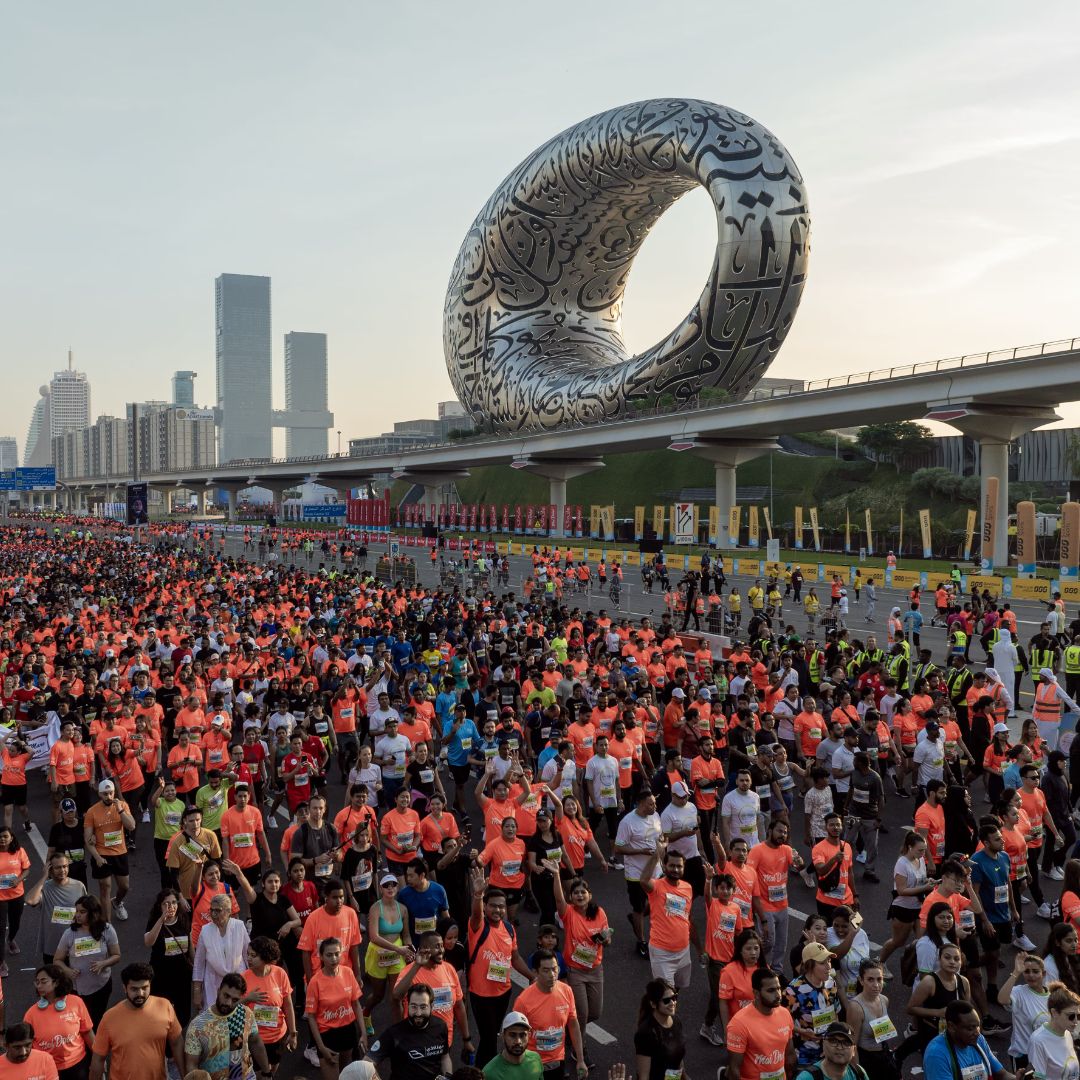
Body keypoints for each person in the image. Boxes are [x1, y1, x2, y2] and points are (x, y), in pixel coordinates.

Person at [466, 868, 532, 1069]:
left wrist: (532, 976)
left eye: (501, 907)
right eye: (493, 906)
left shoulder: (509, 929)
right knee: (488, 1037)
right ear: (485, 907)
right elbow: (475, 913)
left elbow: (515, 958)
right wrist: (478, 894)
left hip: (503, 992)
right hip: (481, 994)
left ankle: (484, 1067)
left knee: (494, 1032)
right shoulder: (477, 926)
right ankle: (483, 1071)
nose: (498, 910)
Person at [88, 962, 184, 1080]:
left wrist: (185, 1075)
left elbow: (177, 1043)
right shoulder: (109, 1018)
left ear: (150, 985)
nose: (140, 994)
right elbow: (98, 1059)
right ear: (125, 988)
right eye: (134, 989)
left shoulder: (165, 1006)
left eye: (144, 988)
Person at [391, 929, 471, 1053]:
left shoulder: (449, 969)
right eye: (437, 947)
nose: (441, 950)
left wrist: (467, 1039)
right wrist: (417, 965)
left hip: (443, 1042)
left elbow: (459, 1006)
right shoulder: (410, 971)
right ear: (424, 948)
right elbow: (396, 996)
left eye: (442, 946)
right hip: (417, 1043)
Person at [184, 971, 272, 1080]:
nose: (228, 1003)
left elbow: (255, 1042)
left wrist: (266, 1072)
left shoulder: (246, 1013)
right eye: (226, 996)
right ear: (218, 991)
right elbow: (191, 1064)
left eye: (235, 1000)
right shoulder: (198, 1025)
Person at [514, 948, 586, 1079]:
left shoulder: (567, 991)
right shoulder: (523, 1001)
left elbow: (573, 1025)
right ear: (535, 972)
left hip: (558, 1060)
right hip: (531, 1063)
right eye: (546, 971)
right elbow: (514, 1038)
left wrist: (580, 1060)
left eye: (554, 969)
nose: (552, 974)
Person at [53, 895, 120, 1028]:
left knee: (96, 1020)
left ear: (94, 913)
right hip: (77, 989)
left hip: (101, 985)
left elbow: (116, 955)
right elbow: (57, 960)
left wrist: (103, 963)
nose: (77, 915)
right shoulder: (69, 934)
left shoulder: (107, 930)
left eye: (82, 912)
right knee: (79, 1023)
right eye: (76, 911)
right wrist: (68, 971)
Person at [305, 937, 365, 1077]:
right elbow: (311, 1017)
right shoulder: (315, 982)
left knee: (347, 1075)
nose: (334, 958)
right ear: (321, 956)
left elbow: (356, 1004)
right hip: (327, 1035)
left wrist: (363, 1033)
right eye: (329, 955)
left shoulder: (348, 972)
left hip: (348, 1031)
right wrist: (320, 1047)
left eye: (337, 953)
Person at [23, 965, 94, 1080]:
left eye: (43, 981)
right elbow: (27, 1046)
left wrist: (98, 1058)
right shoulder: (30, 1014)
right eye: (37, 982)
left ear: (56, 983)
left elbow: (87, 1032)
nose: (39, 986)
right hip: (47, 1069)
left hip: (78, 1065)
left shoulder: (76, 1002)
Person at [639, 841, 694, 990]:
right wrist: (658, 852)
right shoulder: (656, 886)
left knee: (677, 989)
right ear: (665, 866)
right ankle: (660, 1012)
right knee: (665, 992)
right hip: (662, 953)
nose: (675, 869)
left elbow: (688, 918)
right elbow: (643, 880)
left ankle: (668, 1010)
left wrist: (700, 947)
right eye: (672, 866)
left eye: (679, 866)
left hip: (683, 950)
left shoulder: (688, 888)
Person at [725, 967, 797, 1080]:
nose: (778, 995)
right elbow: (734, 1070)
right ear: (756, 993)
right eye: (771, 990)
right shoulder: (739, 1024)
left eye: (779, 989)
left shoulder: (785, 1014)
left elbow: (790, 1054)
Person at [367, 983, 449, 1080]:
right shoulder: (394, 1034)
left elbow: (445, 1058)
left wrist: (447, 1077)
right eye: (414, 1006)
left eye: (423, 1007)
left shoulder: (440, 1027)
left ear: (432, 1006)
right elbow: (366, 1064)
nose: (418, 1013)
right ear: (407, 1005)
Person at [923, 999, 1021, 1080]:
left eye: (978, 1026)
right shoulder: (937, 1054)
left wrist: (1018, 1078)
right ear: (951, 1027)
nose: (977, 1032)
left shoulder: (979, 1040)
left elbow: (1001, 1074)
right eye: (970, 1028)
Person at [242, 936, 298, 1074]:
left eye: (253, 955)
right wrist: (248, 998)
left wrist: (293, 1033)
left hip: (278, 1036)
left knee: (272, 1070)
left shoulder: (280, 973)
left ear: (265, 957)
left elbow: (288, 1005)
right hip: (255, 1039)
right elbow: (232, 1006)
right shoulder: (243, 978)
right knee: (261, 1074)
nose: (249, 958)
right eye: (248, 954)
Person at [82, 780, 134, 925]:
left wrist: (120, 810)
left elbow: (131, 826)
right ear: (99, 794)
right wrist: (97, 857)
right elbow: (87, 839)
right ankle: (107, 924)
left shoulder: (122, 805)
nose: (108, 796)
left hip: (120, 853)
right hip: (102, 854)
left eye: (111, 793)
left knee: (125, 887)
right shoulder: (92, 811)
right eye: (105, 794)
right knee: (105, 888)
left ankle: (117, 902)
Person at [193, 892, 251, 1015]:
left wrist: (252, 981)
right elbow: (199, 963)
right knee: (215, 1018)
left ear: (228, 911)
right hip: (213, 983)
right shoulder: (205, 931)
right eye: (211, 910)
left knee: (237, 1015)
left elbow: (248, 955)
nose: (213, 914)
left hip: (238, 981)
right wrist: (197, 992)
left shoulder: (239, 926)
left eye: (218, 911)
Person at [24, 853, 87, 965]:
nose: (62, 870)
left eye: (65, 866)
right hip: (52, 947)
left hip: (74, 945)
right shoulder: (44, 888)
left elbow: (87, 913)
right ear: (50, 869)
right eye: (58, 867)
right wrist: (44, 877)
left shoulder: (79, 886)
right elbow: (30, 900)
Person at [998, 952, 1051, 1069]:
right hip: (1023, 1055)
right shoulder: (1018, 992)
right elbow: (1002, 999)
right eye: (1026, 971)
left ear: (1044, 974)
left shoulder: (1052, 996)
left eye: (1035, 971)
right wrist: (1016, 972)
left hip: (1046, 1054)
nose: (1031, 975)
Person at [633, 979, 687, 1080]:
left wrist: (684, 1076)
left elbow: (677, 1055)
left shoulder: (676, 1021)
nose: (673, 1003)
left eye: (674, 997)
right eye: (666, 1000)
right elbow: (643, 1076)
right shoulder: (646, 1033)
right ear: (653, 1004)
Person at [1028, 983, 1080, 1080]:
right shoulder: (1038, 1041)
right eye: (1071, 1016)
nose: (1076, 1021)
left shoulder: (1067, 1033)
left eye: (1078, 1016)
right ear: (1054, 1013)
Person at [794, 1022, 868, 1080]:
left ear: (854, 1050)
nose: (839, 1047)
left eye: (846, 1043)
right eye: (833, 1041)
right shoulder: (807, 1078)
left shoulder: (859, 1073)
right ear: (823, 1045)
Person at [483, 1012, 542, 1080]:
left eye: (522, 1035)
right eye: (512, 1035)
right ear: (503, 1036)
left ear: (529, 1036)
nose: (518, 1041)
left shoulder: (536, 1059)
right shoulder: (489, 1073)